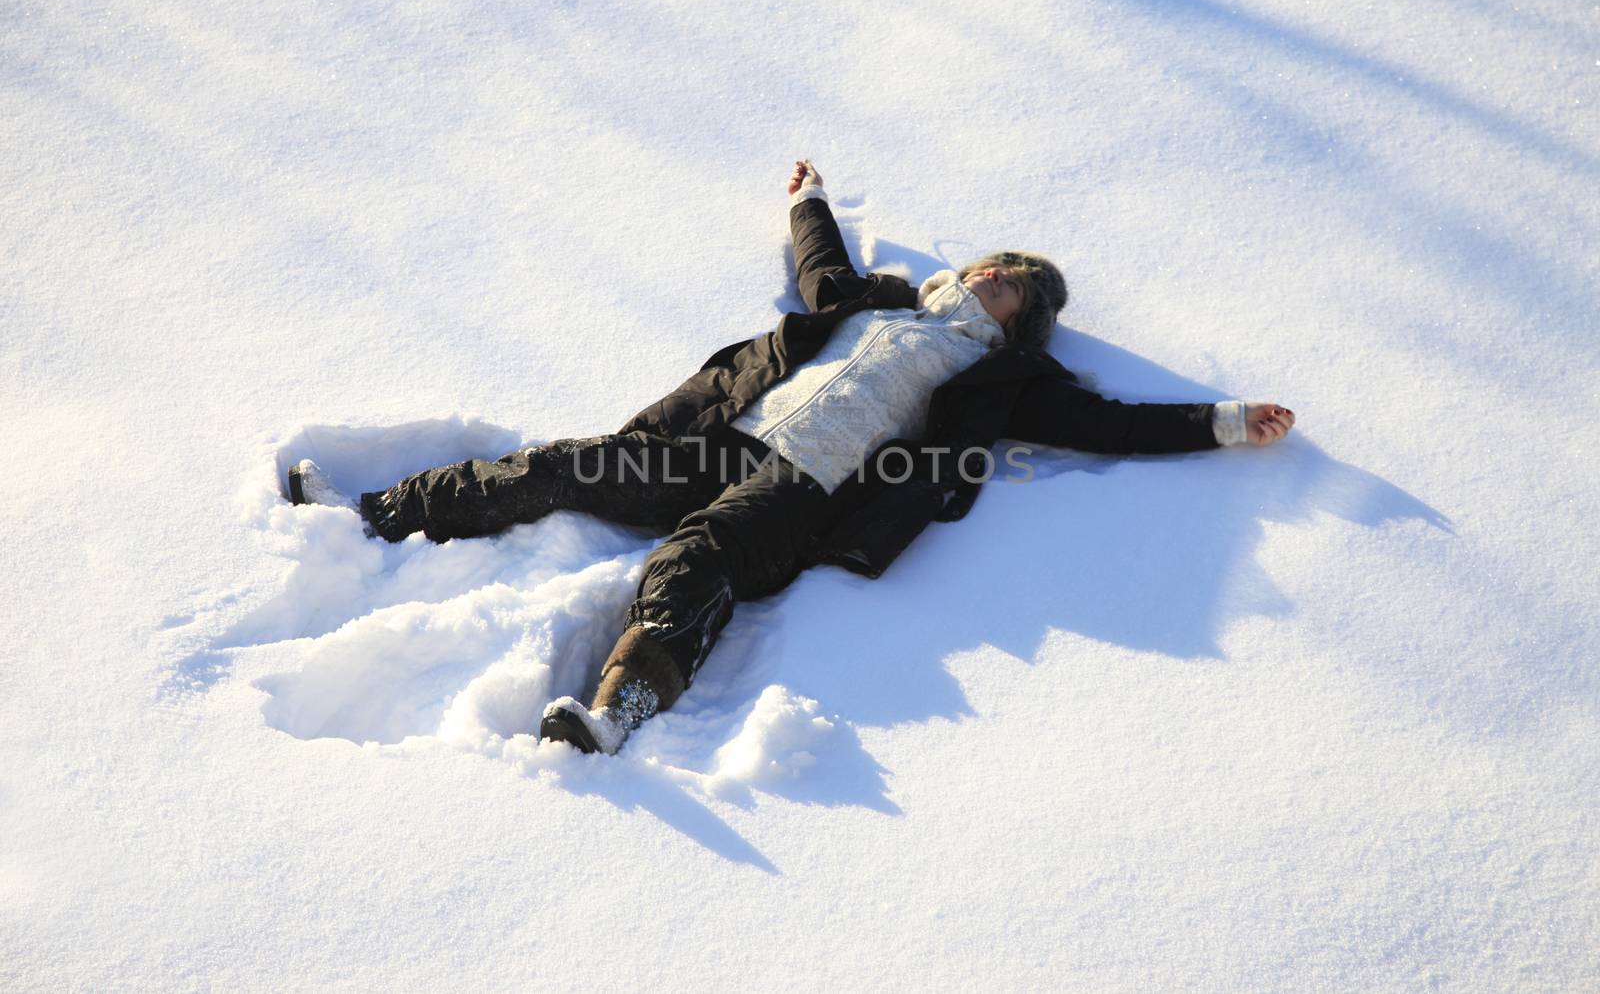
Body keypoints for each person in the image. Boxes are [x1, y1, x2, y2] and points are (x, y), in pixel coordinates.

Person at [286, 160, 1296, 755]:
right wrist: (807, 200)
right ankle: (367, 513)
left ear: (1019, 321)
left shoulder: (1005, 383)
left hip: (803, 484)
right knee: (557, 466)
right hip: (715, 437)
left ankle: (619, 704)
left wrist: (1223, 420)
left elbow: (1113, 424)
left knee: (699, 557)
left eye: (1011, 287)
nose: (993, 278)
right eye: (993, 266)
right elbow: (824, 272)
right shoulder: (880, 305)